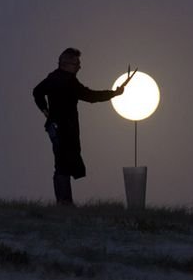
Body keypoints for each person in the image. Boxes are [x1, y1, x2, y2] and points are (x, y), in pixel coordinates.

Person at [33, 48, 127, 205]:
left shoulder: (54, 77)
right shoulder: (68, 81)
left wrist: (45, 111)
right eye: (76, 63)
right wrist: (114, 94)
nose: (79, 67)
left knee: (63, 162)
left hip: (55, 127)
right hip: (63, 129)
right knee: (63, 164)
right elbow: (90, 96)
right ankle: (64, 202)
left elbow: (37, 92)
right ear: (66, 64)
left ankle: (64, 202)